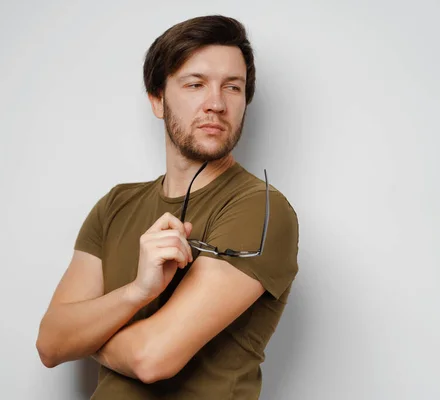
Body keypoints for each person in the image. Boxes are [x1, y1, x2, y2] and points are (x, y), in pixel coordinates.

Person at [36, 14, 299, 399]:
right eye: (195, 84)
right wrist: (137, 292)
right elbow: (49, 343)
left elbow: (151, 359)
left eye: (233, 87)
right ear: (158, 99)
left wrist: (83, 337)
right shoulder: (115, 205)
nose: (216, 104)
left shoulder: (260, 208)